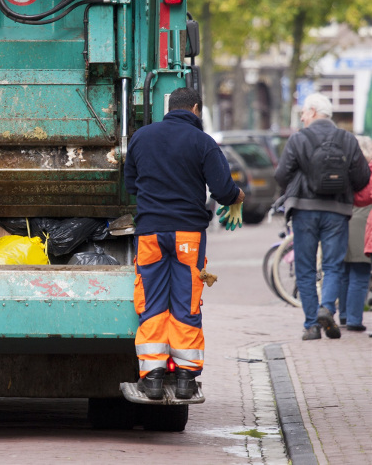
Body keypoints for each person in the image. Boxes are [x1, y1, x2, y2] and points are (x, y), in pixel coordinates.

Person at [124, 87, 245, 400]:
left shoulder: (142, 137)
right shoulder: (202, 141)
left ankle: (151, 379)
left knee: (150, 302)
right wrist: (236, 198)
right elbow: (222, 189)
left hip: (150, 232)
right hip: (188, 235)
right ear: (195, 108)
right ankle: (186, 381)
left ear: (169, 107)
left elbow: (130, 185)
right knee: (186, 303)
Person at [275, 93, 370, 341]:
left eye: (304, 112)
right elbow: (362, 178)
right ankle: (327, 307)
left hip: (304, 211)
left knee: (305, 268)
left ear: (314, 111)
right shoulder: (348, 140)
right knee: (333, 266)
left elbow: (282, 174)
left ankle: (311, 326)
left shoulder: (299, 139)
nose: (303, 117)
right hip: (337, 212)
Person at [338, 136, 372, 332]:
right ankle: (353, 319)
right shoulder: (369, 171)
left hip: (342, 220)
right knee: (360, 273)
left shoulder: (346, 170)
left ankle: (343, 315)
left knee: (343, 272)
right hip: (364, 222)